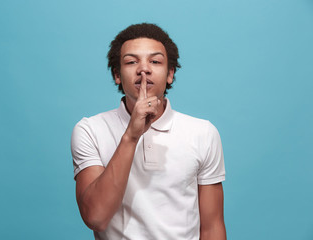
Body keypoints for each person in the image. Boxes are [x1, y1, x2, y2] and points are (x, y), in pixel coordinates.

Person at [71, 23, 226, 240]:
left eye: (155, 61)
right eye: (131, 61)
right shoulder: (90, 130)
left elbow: (212, 228)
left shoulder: (203, 133)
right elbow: (96, 217)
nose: (144, 69)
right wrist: (131, 136)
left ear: (170, 73)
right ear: (117, 74)